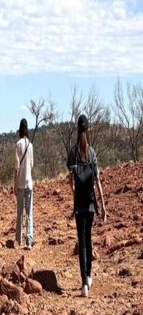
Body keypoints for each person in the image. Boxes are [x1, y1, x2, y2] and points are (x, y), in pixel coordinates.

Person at [67, 114, 107, 298]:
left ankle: (83, 283)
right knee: (89, 238)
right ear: (88, 129)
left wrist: (74, 195)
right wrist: (103, 205)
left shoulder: (73, 151)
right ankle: (89, 275)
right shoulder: (92, 152)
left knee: (81, 240)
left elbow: (70, 180)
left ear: (77, 129)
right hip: (90, 202)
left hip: (79, 203)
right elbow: (97, 180)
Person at [13, 118, 34, 249]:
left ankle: (19, 239)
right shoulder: (30, 145)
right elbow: (31, 164)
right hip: (29, 183)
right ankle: (29, 240)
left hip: (20, 183)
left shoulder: (18, 144)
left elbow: (16, 166)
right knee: (29, 213)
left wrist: (14, 183)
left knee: (20, 212)